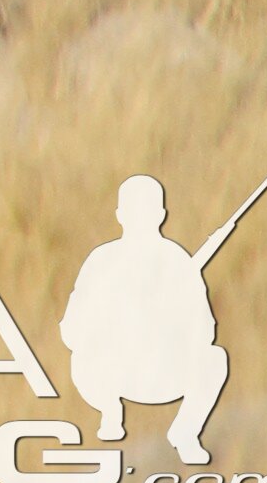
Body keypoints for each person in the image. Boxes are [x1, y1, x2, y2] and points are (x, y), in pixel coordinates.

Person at [69, 173, 234, 467]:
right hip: (111, 374)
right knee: (83, 357)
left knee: (214, 359)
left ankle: (185, 432)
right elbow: (73, 329)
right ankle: (110, 413)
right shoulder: (102, 260)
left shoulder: (177, 261)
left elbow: (204, 330)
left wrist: (167, 323)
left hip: (163, 373)